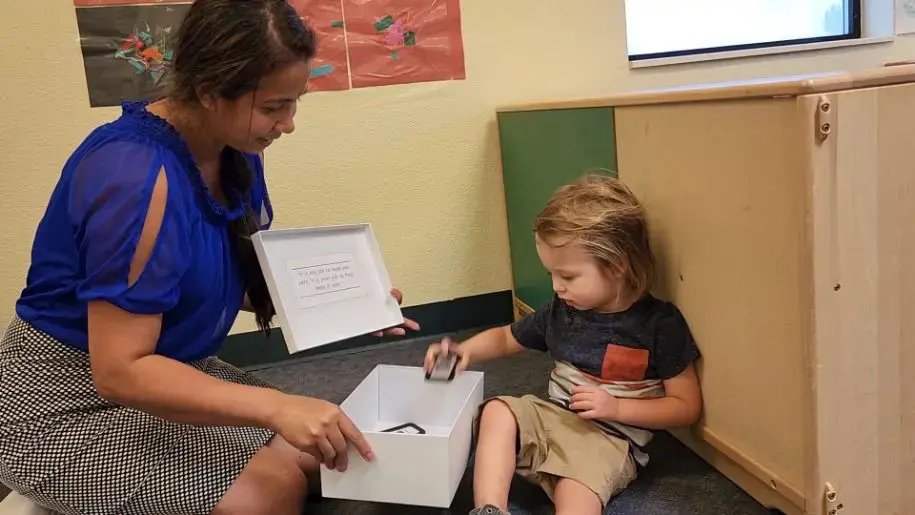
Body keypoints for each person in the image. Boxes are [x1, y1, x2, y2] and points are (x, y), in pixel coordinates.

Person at [0, 1, 419, 514]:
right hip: (63, 396)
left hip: (164, 363)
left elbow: (214, 276)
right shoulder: (133, 177)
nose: (288, 124)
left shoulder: (232, 146)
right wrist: (278, 405)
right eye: (272, 107)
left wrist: (349, 303)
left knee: (324, 455)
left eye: (294, 103)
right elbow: (119, 371)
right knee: (273, 488)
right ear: (207, 91)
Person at [423, 174, 703, 515]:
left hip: (608, 441)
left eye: (568, 276)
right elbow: (505, 337)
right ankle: (489, 509)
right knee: (497, 411)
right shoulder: (561, 311)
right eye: (551, 275)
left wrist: (617, 409)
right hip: (552, 417)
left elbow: (686, 406)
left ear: (616, 267)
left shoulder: (660, 324)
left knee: (578, 489)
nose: (557, 287)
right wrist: (466, 351)